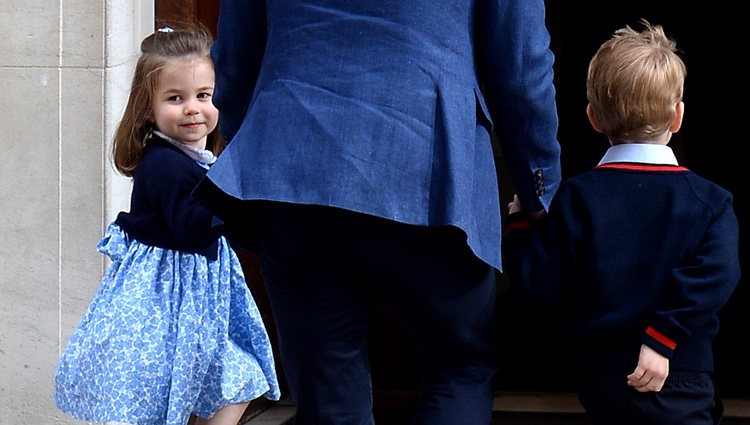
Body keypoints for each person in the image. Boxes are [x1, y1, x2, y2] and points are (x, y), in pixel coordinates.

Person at [192, 1, 561, 424]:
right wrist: (537, 188)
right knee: (459, 368)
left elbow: (235, 56)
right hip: (427, 162)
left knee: (330, 393)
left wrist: (254, 160)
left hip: (294, 160)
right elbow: (521, 66)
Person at [502, 19, 741, 425]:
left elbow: (540, 285)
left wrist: (520, 227)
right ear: (677, 116)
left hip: (602, 379)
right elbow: (717, 273)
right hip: (680, 374)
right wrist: (663, 338)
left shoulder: (576, 198)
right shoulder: (710, 201)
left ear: (593, 117)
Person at [54, 24, 280, 425]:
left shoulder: (194, 157)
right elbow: (191, 229)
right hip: (167, 301)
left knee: (237, 376)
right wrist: (234, 188)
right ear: (149, 107)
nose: (193, 108)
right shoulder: (162, 164)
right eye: (176, 98)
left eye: (204, 96)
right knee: (168, 392)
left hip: (196, 302)